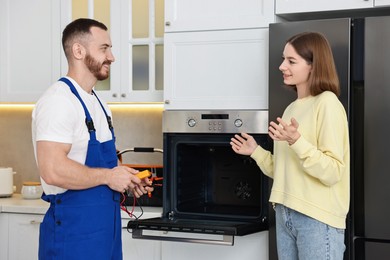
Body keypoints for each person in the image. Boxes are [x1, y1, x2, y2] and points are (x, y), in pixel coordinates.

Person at [31, 18, 152, 260]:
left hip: (105, 234)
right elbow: (52, 170)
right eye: (104, 48)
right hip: (73, 237)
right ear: (78, 50)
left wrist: (126, 177)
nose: (112, 57)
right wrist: (109, 176)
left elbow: (104, 165)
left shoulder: (98, 103)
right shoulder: (58, 102)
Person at [230, 32, 350, 260]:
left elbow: (334, 171)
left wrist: (297, 141)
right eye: (284, 59)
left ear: (313, 66)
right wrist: (255, 151)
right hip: (285, 212)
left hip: (316, 217)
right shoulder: (292, 109)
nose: (282, 66)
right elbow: (286, 171)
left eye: (291, 61)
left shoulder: (327, 103)